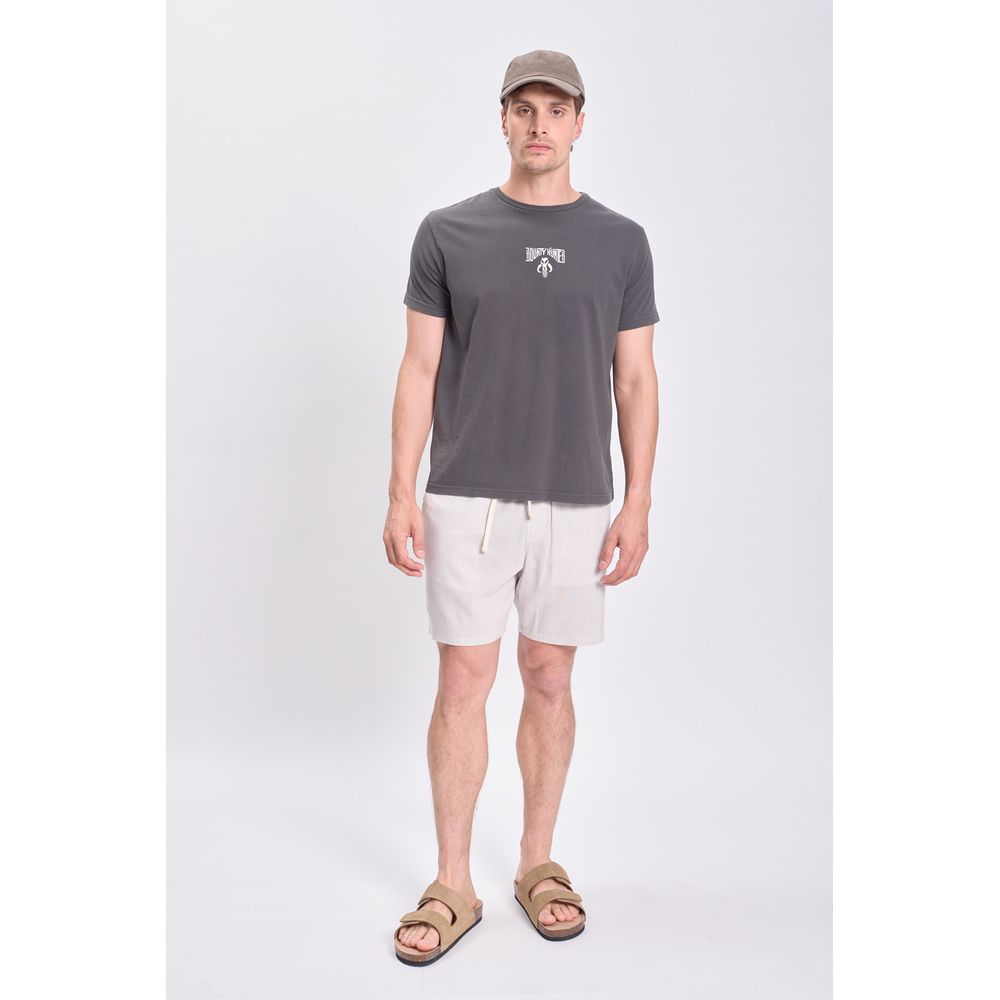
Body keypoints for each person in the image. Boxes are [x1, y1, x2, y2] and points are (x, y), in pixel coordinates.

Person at [383, 49, 660, 965]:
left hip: (577, 497)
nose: (540, 124)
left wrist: (638, 501)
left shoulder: (622, 241)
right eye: (525, 108)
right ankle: (452, 882)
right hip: (466, 494)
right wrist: (400, 491)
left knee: (549, 677)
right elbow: (419, 367)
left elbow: (635, 377)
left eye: (557, 109)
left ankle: (538, 862)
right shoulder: (447, 233)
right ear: (502, 118)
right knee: (463, 681)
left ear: (581, 123)